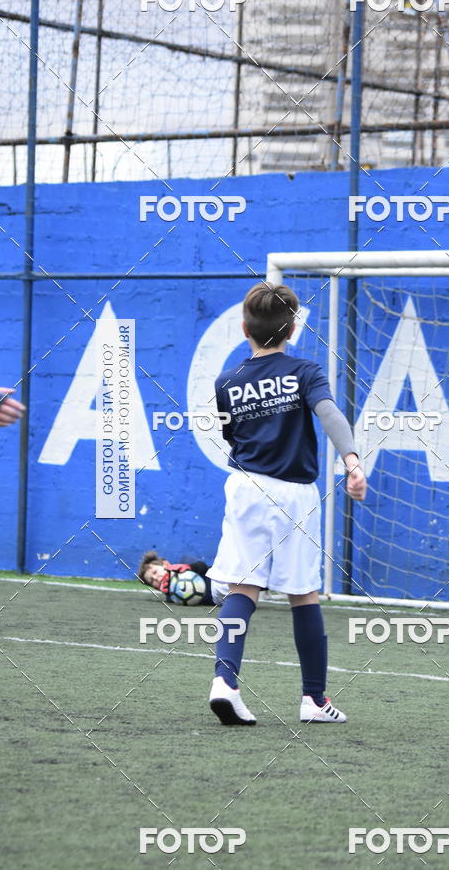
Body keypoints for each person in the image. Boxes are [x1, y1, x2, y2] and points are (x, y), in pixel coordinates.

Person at [206, 281, 366, 726]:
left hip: (244, 487)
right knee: (303, 593)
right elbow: (330, 414)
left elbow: (230, 434)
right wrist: (352, 460)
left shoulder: (226, 382)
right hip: (293, 494)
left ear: (244, 328)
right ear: (293, 327)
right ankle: (313, 701)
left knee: (242, 586)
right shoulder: (305, 371)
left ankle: (225, 682)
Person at [137, 550, 228, 606]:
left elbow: (202, 566)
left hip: (225, 579)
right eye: (152, 580)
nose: (156, 578)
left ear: (166, 564)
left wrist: (189, 568)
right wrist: (170, 592)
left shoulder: (185, 562)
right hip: (225, 599)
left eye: (155, 572)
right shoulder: (173, 598)